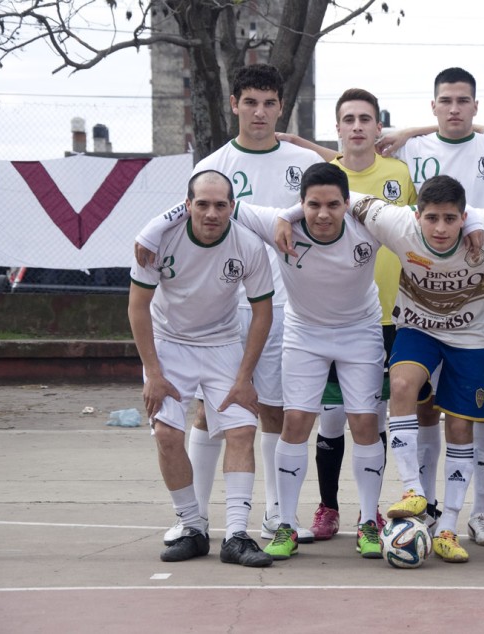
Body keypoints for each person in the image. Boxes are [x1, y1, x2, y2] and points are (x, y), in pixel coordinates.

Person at [276, 174, 484, 563]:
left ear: (463, 217)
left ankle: (447, 527)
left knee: (461, 427)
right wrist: (286, 213)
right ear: (416, 216)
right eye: (432, 218)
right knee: (400, 385)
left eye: (451, 219)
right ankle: (413, 491)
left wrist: (479, 219)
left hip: (470, 337)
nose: (441, 228)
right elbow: (347, 194)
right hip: (418, 328)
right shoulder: (395, 222)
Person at [137, 162, 387, 561]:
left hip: (360, 331)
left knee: (364, 422)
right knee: (295, 421)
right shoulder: (275, 223)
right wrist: (152, 229)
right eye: (312, 205)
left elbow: (419, 219)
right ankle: (284, 523)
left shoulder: (370, 225)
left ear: (346, 204)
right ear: (299, 203)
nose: (323, 214)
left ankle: (370, 522)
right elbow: (212, 205)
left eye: (334, 205)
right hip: (305, 332)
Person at [156, 63, 324, 547]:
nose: (260, 112)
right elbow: (188, 231)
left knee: (273, 408)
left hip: (289, 304)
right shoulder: (213, 166)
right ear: (234, 105)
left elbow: (347, 164)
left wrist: (306, 144)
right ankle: (193, 520)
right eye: (250, 102)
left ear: (281, 107)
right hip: (228, 309)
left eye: (270, 103)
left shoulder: (297, 160)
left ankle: (275, 515)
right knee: (213, 412)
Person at [377, 67, 484, 546]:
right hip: (422, 301)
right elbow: (345, 159)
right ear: (433, 106)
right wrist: (407, 132)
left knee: (479, 413)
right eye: (446, 100)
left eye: (464, 100)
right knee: (422, 407)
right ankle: (421, 503)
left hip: (479, 304)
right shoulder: (409, 147)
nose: (455, 108)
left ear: (476, 107)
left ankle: (478, 514)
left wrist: (479, 221)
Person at [279, 87, 417, 547]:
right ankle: (327, 506)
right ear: (337, 129)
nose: (357, 126)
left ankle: (370, 515)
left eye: (365, 119)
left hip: (382, 316)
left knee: (369, 419)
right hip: (319, 320)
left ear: (379, 128)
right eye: (348, 119)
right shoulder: (324, 180)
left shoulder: (398, 172)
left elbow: (413, 228)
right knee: (328, 419)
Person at [129, 170, 274, 567]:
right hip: (169, 344)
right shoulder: (159, 241)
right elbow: (137, 307)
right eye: (203, 204)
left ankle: (237, 536)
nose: (212, 213)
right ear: (188, 205)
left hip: (223, 343)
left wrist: (245, 377)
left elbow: (262, 313)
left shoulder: (248, 244)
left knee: (242, 431)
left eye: (221, 205)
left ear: (232, 206)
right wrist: (153, 373)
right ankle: (192, 528)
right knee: (166, 434)